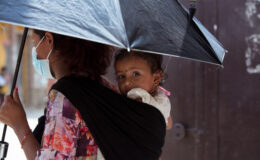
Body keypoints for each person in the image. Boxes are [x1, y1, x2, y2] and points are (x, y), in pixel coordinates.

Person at [0, 30, 166, 160]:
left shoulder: (64, 98)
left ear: (49, 40)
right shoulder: (102, 84)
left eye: (34, 43)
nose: (35, 53)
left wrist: (19, 124)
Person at [114, 50, 173, 129]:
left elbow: (168, 124)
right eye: (121, 76)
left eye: (136, 74)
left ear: (156, 78)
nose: (126, 82)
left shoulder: (160, 101)